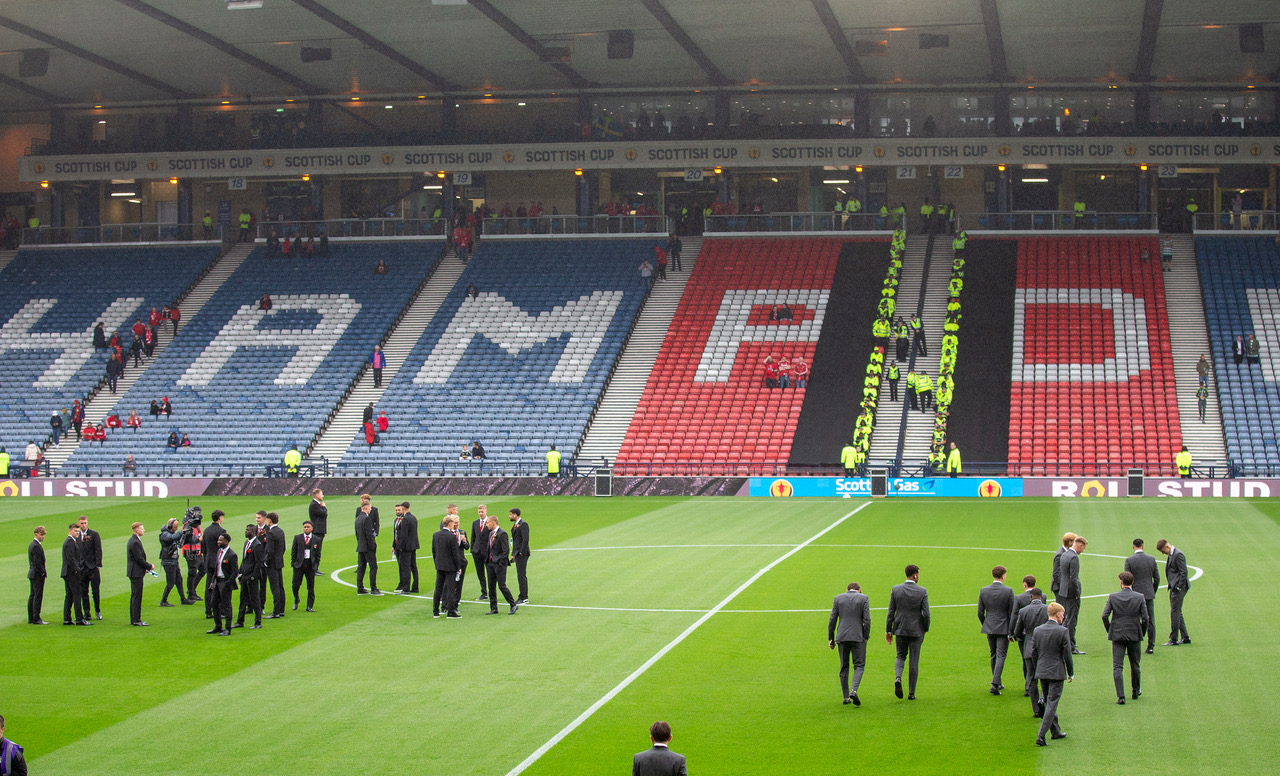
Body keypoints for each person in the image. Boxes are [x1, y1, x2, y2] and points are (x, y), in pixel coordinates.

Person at [1028, 602, 1073, 746]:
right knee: (1052, 704)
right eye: (1063, 614)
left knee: (1048, 701)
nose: (1063, 617)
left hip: (1042, 670)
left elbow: (1034, 652)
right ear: (1058, 614)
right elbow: (1067, 654)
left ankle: (1055, 731)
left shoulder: (1038, 630)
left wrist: (1038, 668)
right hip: (1056, 672)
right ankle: (1041, 736)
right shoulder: (1062, 631)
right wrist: (1070, 672)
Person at [1102, 571, 1148, 704]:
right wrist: (1141, 632)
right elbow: (1145, 618)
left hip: (1117, 634)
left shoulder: (1113, 597)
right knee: (1135, 665)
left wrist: (1110, 630)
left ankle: (1121, 696)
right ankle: (1135, 691)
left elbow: (1105, 616)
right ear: (1132, 582)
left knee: (1117, 667)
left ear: (1121, 583)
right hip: (1134, 634)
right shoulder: (1139, 597)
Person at [885, 564, 929, 700]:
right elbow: (926, 613)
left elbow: (891, 611)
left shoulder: (896, 589)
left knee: (900, 656)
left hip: (900, 629)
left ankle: (898, 678)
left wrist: (888, 630)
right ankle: (911, 693)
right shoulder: (922, 591)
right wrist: (925, 628)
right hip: (916, 631)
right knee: (913, 661)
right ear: (915, 575)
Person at [828, 581, 870, 705]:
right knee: (859, 666)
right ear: (859, 590)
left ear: (847, 589)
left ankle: (846, 697)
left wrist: (831, 638)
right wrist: (866, 636)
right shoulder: (864, 598)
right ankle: (854, 690)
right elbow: (867, 620)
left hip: (841, 637)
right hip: (858, 637)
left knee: (844, 666)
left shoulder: (838, 598)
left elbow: (832, 620)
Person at [978, 565, 1015, 695]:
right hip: (1003, 628)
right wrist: (1011, 630)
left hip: (989, 627)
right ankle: (995, 684)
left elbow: (980, 613)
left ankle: (997, 681)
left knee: (993, 654)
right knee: (1001, 655)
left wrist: (986, 624)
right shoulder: (1008, 591)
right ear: (1003, 575)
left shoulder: (984, 590)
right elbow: (1012, 613)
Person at [1013, 587, 1048, 710]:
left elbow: (1017, 632)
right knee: (1045, 677)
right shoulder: (1047, 610)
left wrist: (1025, 637)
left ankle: (1036, 710)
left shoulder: (1023, 611)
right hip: (1044, 649)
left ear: (1031, 597)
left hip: (1029, 648)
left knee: (1032, 679)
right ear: (1041, 598)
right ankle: (1043, 700)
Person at [1124, 539, 1160, 654]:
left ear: (1133, 546)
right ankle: (1150, 646)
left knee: (1131, 620)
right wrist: (1152, 590)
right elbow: (1157, 578)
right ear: (1143, 546)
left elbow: (1127, 578)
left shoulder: (1129, 560)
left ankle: (1131, 645)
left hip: (1134, 595)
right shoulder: (1151, 559)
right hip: (1148, 594)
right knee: (1149, 620)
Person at [483, 515, 519, 615]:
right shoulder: (491, 533)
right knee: (491, 587)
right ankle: (493, 608)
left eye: (488, 523)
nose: (486, 525)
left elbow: (505, 550)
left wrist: (499, 562)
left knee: (502, 586)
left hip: (498, 564)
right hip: (489, 564)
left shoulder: (502, 534)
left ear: (493, 523)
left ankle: (513, 604)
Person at [1157, 539, 1191, 645]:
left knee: (1174, 612)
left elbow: (1184, 572)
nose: (1163, 553)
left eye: (1163, 551)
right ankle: (1185, 637)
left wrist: (1179, 587)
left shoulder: (1178, 554)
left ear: (1167, 546)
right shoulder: (1172, 554)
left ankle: (1174, 639)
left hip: (1178, 588)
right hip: (1174, 587)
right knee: (1177, 612)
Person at [431, 513, 464, 618]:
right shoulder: (451, 536)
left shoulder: (435, 535)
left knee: (438, 589)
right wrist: (458, 567)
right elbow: (455, 553)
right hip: (450, 567)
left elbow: (434, 551)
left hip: (440, 565)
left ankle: (435, 611)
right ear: (450, 524)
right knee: (450, 589)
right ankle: (450, 611)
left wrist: (436, 562)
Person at [235, 524, 265, 630]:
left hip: (251, 577)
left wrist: (254, 576)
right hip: (244, 576)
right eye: (246, 529)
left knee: (255, 599)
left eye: (248, 530)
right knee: (243, 599)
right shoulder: (246, 543)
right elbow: (244, 560)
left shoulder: (257, 545)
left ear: (254, 532)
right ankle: (240, 621)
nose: (246, 531)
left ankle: (258, 622)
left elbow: (258, 563)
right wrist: (239, 572)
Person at [207, 532, 237, 636]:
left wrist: (228, 584)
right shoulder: (219, 551)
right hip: (217, 581)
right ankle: (218, 626)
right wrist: (212, 581)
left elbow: (234, 572)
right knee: (214, 603)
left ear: (226, 541)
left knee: (226, 605)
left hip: (225, 582)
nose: (218, 542)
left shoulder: (232, 555)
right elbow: (216, 567)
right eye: (218, 540)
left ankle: (228, 628)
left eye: (220, 540)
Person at [125, 522, 154, 626]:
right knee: (137, 596)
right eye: (142, 529)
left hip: (135, 571)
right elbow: (138, 558)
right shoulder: (135, 542)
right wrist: (149, 566)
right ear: (137, 530)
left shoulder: (133, 540)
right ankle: (136, 620)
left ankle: (134, 619)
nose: (144, 530)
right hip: (136, 573)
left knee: (135, 596)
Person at [200, 510, 227, 618]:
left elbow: (204, 547)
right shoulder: (221, 531)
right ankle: (220, 610)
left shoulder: (206, 530)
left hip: (208, 560)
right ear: (220, 517)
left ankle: (208, 611)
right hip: (218, 561)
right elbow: (223, 548)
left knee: (208, 586)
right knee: (220, 585)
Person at [291, 520, 321, 612]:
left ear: (312, 528)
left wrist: (315, 565)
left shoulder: (317, 540)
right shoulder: (297, 538)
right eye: (305, 527)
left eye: (308, 527)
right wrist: (293, 563)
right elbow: (294, 551)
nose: (306, 528)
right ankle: (296, 599)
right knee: (295, 585)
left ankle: (309, 606)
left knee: (311, 587)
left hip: (310, 566)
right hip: (299, 565)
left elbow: (318, 554)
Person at [77, 515, 103, 620]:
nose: (83, 525)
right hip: (82, 568)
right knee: (84, 591)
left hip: (93, 567)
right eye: (82, 523)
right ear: (78, 524)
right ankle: (86, 613)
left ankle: (97, 611)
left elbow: (98, 550)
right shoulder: (77, 535)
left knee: (95, 591)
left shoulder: (94, 534)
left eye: (85, 523)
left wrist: (98, 565)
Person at [61, 523, 88, 625]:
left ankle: (67, 618)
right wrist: (78, 570)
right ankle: (79, 619)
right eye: (75, 531)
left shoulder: (70, 541)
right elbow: (71, 558)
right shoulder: (70, 542)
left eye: (78, 531)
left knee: (69, 595)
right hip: (71, 573)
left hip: (68, 572)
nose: (77, 533)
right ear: (69, 531)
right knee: (77, 595)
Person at [354, 502, 381, 596]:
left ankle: (360, 588)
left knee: (361, 567)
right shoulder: (367, 518)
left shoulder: (358, 519)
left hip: (360, 546)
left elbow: (357, 534)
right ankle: (374, 589)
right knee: (373, 567)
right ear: (366, 508)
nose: (371, 509)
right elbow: (368, 534)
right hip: (368, 547)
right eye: (370, 508)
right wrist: (373, 545)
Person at [392, 501, 420, 595]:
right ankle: (415, 587)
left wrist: (399, 547)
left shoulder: (405, 519)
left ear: (403, 508)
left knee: (405, 567)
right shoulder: (413, 518)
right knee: (413, 566)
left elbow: (403, 535)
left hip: (406, 548)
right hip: (413, 545)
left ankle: (406, 588)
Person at [265, 512, 287, 618]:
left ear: (269, 520)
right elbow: (283, 548)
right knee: (280, 586)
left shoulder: (270, 533)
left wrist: (266, 562)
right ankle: (281, 610)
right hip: (279, 562)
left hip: (272, 564)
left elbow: (269, 551)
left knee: (275, 587)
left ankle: (276, 611)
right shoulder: (281, 531)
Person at [158, 518, 184, 606]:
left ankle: (183, 599)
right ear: (169, 526)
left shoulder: (170, 533)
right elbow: (171, 538)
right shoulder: (164, 534)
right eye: (175, 527)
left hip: (173, 561)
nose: (176, 529)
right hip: (168, 561)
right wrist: (181, 532)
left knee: (179, 580)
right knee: (171, 583)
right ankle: (163, 600)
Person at [180, 508, 203, 604]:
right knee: (192, 573)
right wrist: (198, 539)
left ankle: (192, 589)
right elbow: (186, 538)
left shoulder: (197, 525)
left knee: (203, 569)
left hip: (197, 552)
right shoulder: (187, 525)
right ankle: (191, 593)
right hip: (190, 552)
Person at [509, 508, 530, 604]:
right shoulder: (516, 525)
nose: (509, 516)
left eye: (510, 514)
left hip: (522, 554)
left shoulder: (523, 524)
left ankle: (524, 597)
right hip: (517, 553)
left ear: (515, 515)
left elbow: (525, 540)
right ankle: (522, 596)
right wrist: (513, 554)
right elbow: (516, 541)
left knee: (521, 575)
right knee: (520, 575)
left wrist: (521, 552)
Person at [471, 505, 491, 601]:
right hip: (477, 552)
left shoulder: (490, 523)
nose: (480, 514)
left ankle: (491, 592)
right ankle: (484, 593)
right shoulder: (475, 523)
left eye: (482, 512)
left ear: (486, 511)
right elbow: (473, 537)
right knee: (480, 573)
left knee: (490, 572)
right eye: (479, 512)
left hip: (487, 552)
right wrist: (472, 549)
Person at [28, 526, 47, 625]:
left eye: (44, 535)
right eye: (41, 534)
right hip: (37, 575)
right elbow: (37, 562)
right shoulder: (35, 546)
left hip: (33, 574)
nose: (43, 536)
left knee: (33, 595)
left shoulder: (33, 544)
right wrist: (42, 572)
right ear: (36, 534)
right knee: (37, 596)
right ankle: (36, 617)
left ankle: (31, 617)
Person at [308, 489, 328, 567]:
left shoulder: (316, 504)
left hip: (319, 530)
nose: (323, 496)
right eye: (321, 494)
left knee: (318, 550)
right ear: (316, 495)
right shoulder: (314, 505)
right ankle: (314, 568)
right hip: (317, 530)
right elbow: (324, 514)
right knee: (316, 550)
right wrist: (324, 507)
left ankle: (316, 568)